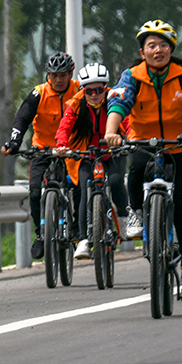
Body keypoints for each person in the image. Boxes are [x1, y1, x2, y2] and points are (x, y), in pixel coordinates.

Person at [104, 20, 182, 300]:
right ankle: (137, 212)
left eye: (163, 45)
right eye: (151, 45)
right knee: (136, 169)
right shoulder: (132, 76)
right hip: (144, 141)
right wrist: (111, 131)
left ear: (171, 49)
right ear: (142, 51)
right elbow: (118, 101)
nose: (157, 50)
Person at [1, 52, 79, 261]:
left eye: (63, 75)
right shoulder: (38, 94)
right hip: (42, 149)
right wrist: (14, 143)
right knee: (35, 191)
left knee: (80, 185)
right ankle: (41, 233)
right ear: (48, 76)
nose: (59, 80)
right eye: (54, 75)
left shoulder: (79, 90)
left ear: (71, 74)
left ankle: (79, 228)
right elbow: (22, 119)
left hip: (72, 149)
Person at [55, 63, 129, 260]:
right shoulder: (75, 104)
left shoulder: (115, 99)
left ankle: (123, 219)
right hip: (86, 153)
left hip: (113, 151)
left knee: (115, 182)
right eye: (89, 91)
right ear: (83, 91)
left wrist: (130, 139)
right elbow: (64, 127)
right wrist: (62, 145)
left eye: (99, 90)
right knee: (82, 189)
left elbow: (128, 123)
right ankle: (83, 239)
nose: (94, 94)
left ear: (106, 88)